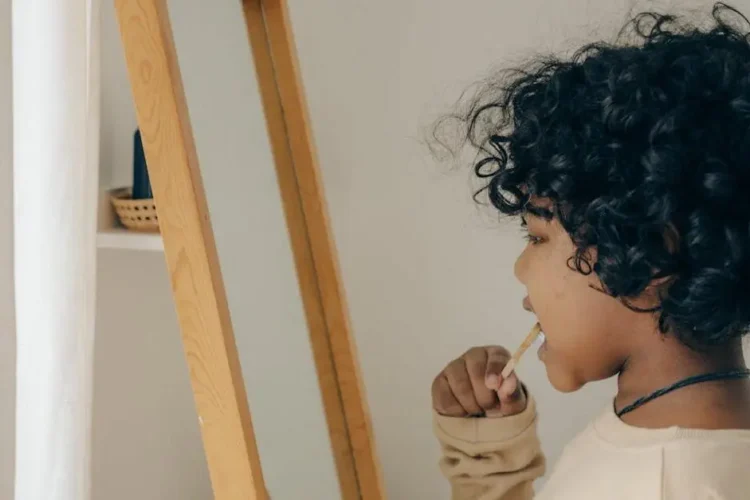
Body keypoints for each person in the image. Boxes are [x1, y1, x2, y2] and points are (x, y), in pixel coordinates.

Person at [430, 3, 750, 499]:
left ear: (649, 256)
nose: (520, 270)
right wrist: (487, 458)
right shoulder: (670, 444)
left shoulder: (663, 484)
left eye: (536, 237)